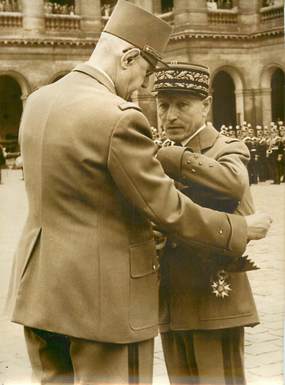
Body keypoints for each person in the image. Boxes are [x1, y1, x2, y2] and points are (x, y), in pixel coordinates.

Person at [6, 2, 271, 384]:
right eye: (145, 74)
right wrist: (238, 229)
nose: (142, 89)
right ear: (129, 57)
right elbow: (169, 209)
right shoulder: (118, 116)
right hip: (104, 302)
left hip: (40, 296)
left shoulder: (38, 102)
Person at [154, 62, 265, 385]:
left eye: (182, 105)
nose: (170, 115)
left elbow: (232, 183)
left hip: (214, 296)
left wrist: (172, 157)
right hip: (171, 295)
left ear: (205, 105)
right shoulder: (158, 152)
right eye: (163, 105)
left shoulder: (227, 148)